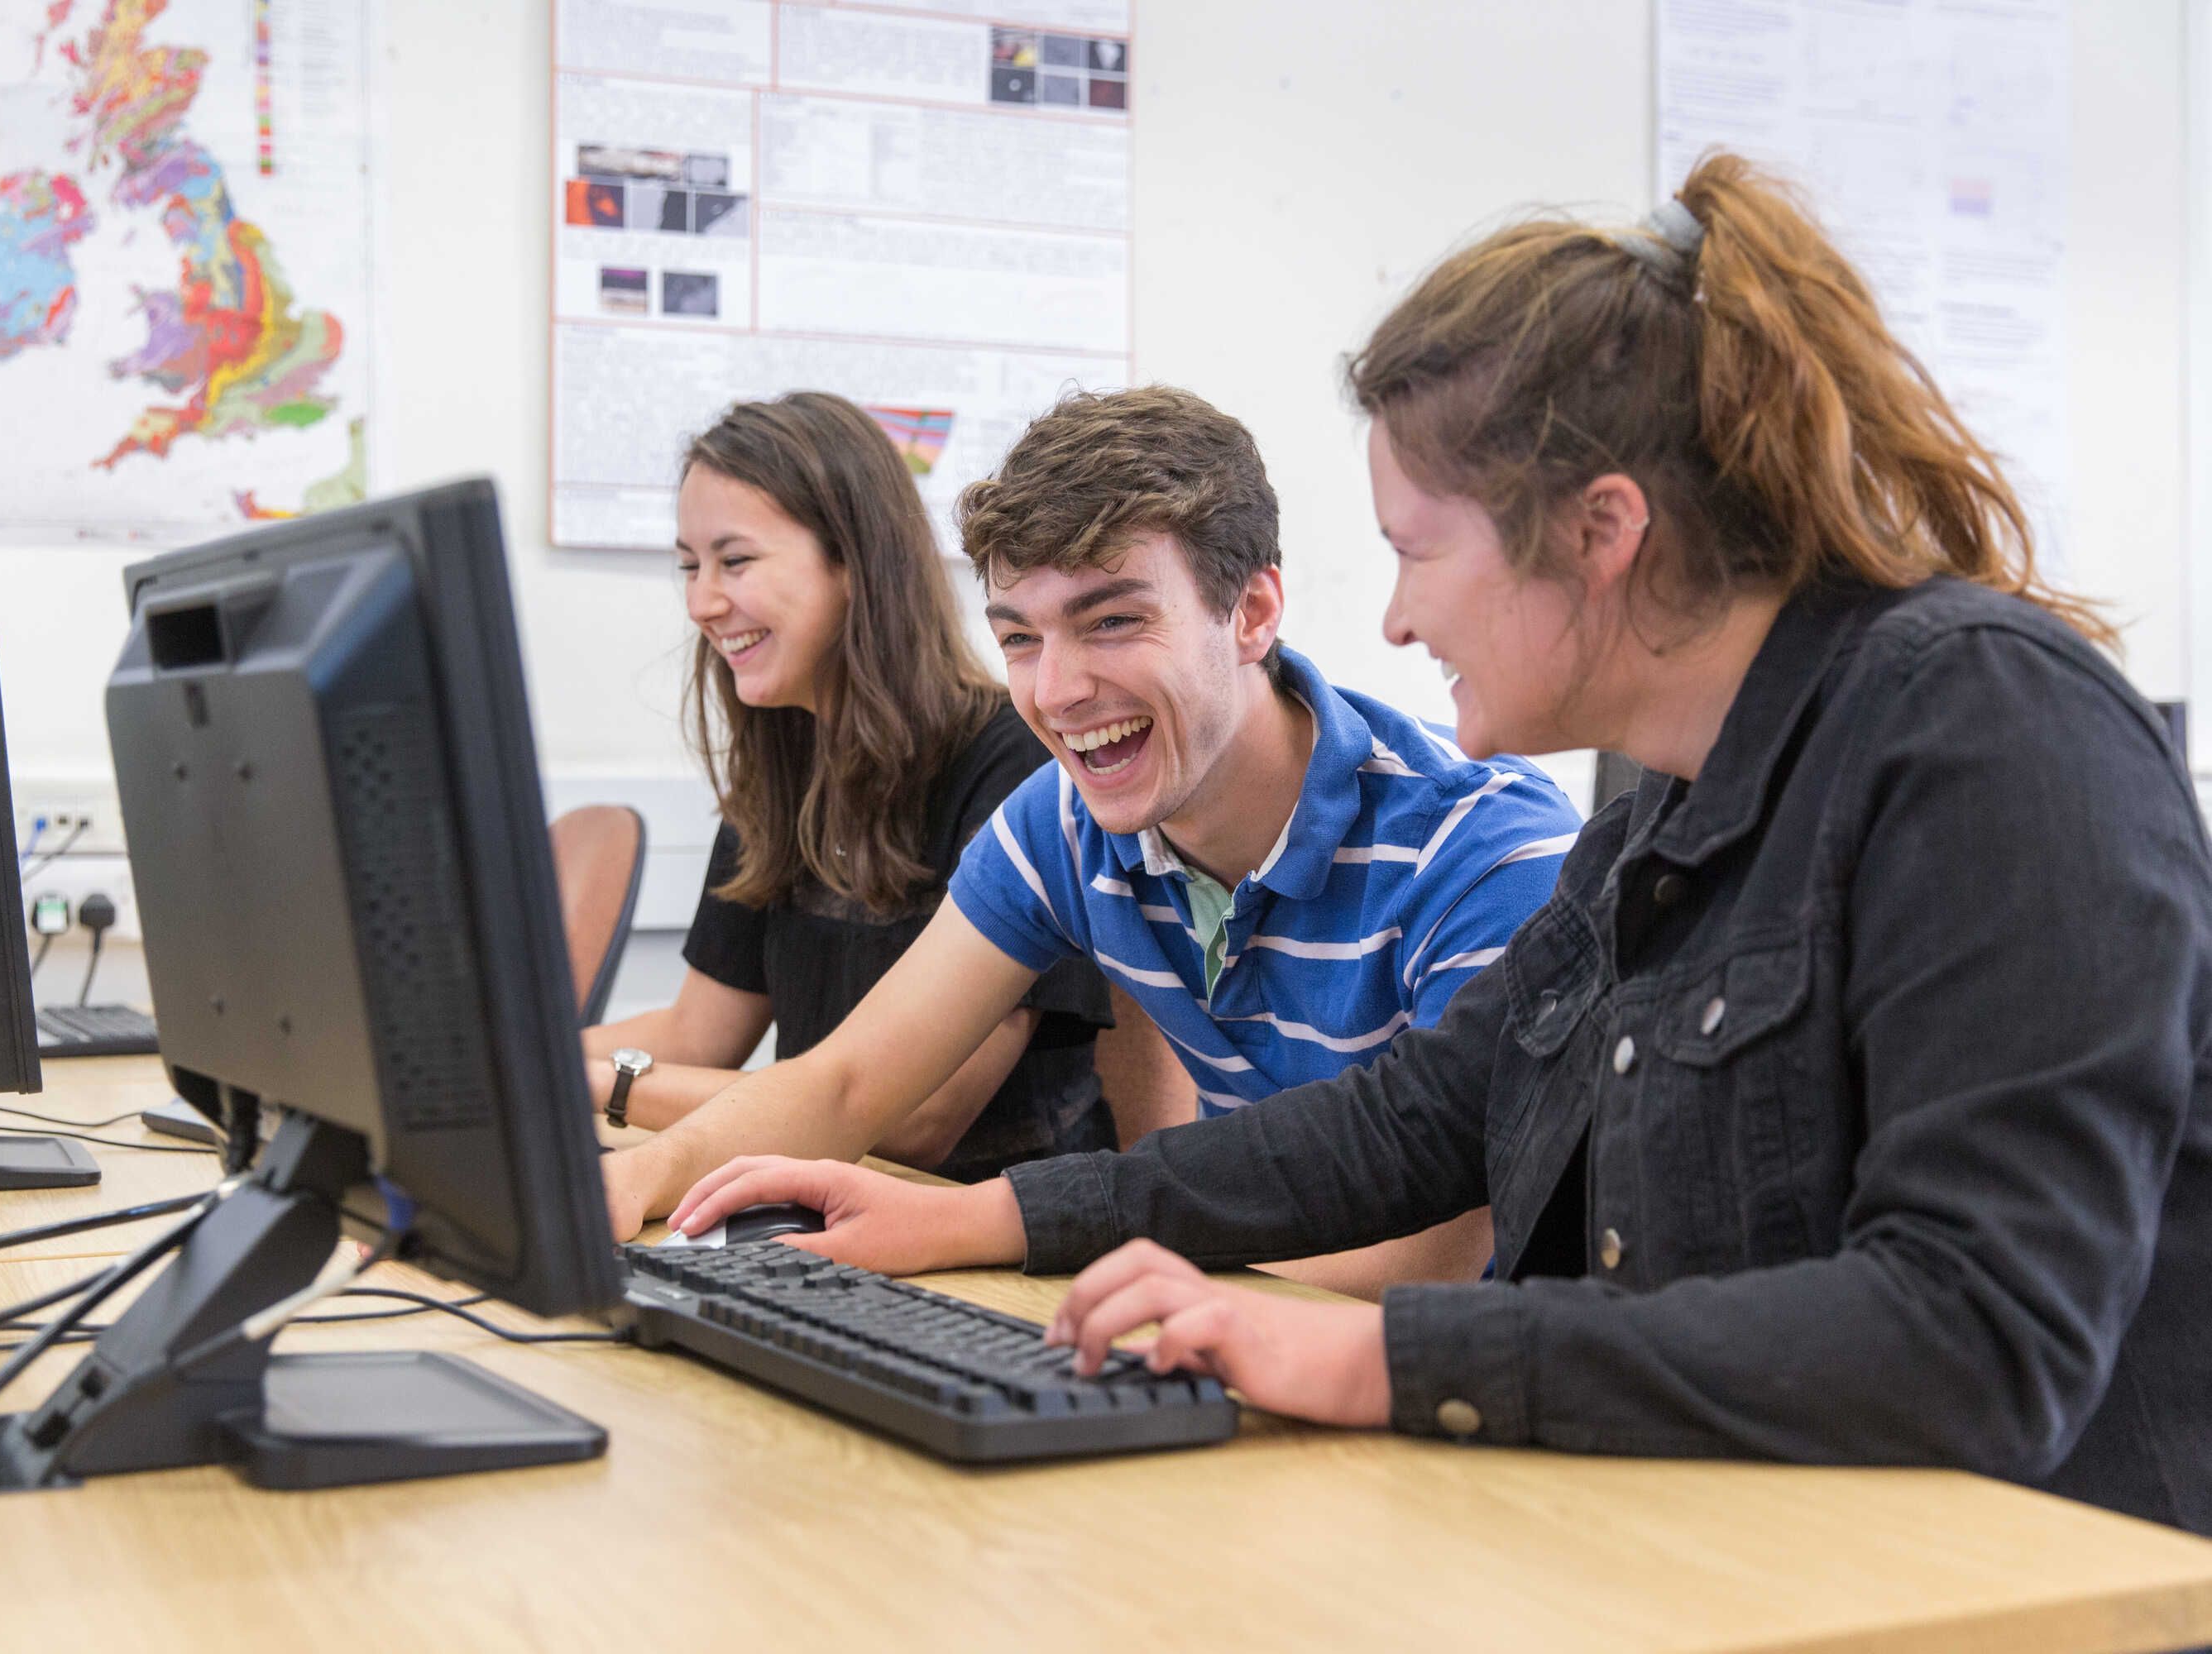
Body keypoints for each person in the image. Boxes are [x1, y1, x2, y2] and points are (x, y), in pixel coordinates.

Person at [663, 155, 2212, 1536]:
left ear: (1602, 535)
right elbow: (1416, 1119)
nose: (1397, 616)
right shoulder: (1671, 802)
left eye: (1416, 552)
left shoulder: (1988, 732)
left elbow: (1975, 1338)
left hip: (2030, 1587)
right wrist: (984, 1221)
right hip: (1758, 1547)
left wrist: (1375, 1353)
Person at [602, 385, 1582, 1296]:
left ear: (1252, 611)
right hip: (1231, 1335)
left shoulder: (1482, 850)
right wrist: (640, 1178)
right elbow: (848, 1079)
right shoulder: (1063, 823)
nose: (1058, 691)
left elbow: (1445, 1239)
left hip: (1446, 1403)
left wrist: (1116, 1288)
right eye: (1021, 638)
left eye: (1111, 620)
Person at [578, 390, 1118, 1183]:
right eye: (690, 566)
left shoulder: (1014, 767)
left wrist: (610, 1085)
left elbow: (912, 1122)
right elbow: (698, 1034)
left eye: (735, 560)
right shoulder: (785, 770)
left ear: (854, 563)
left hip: (985, 1232)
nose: (701, 602)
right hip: (822, 1205)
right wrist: (499, 1062)